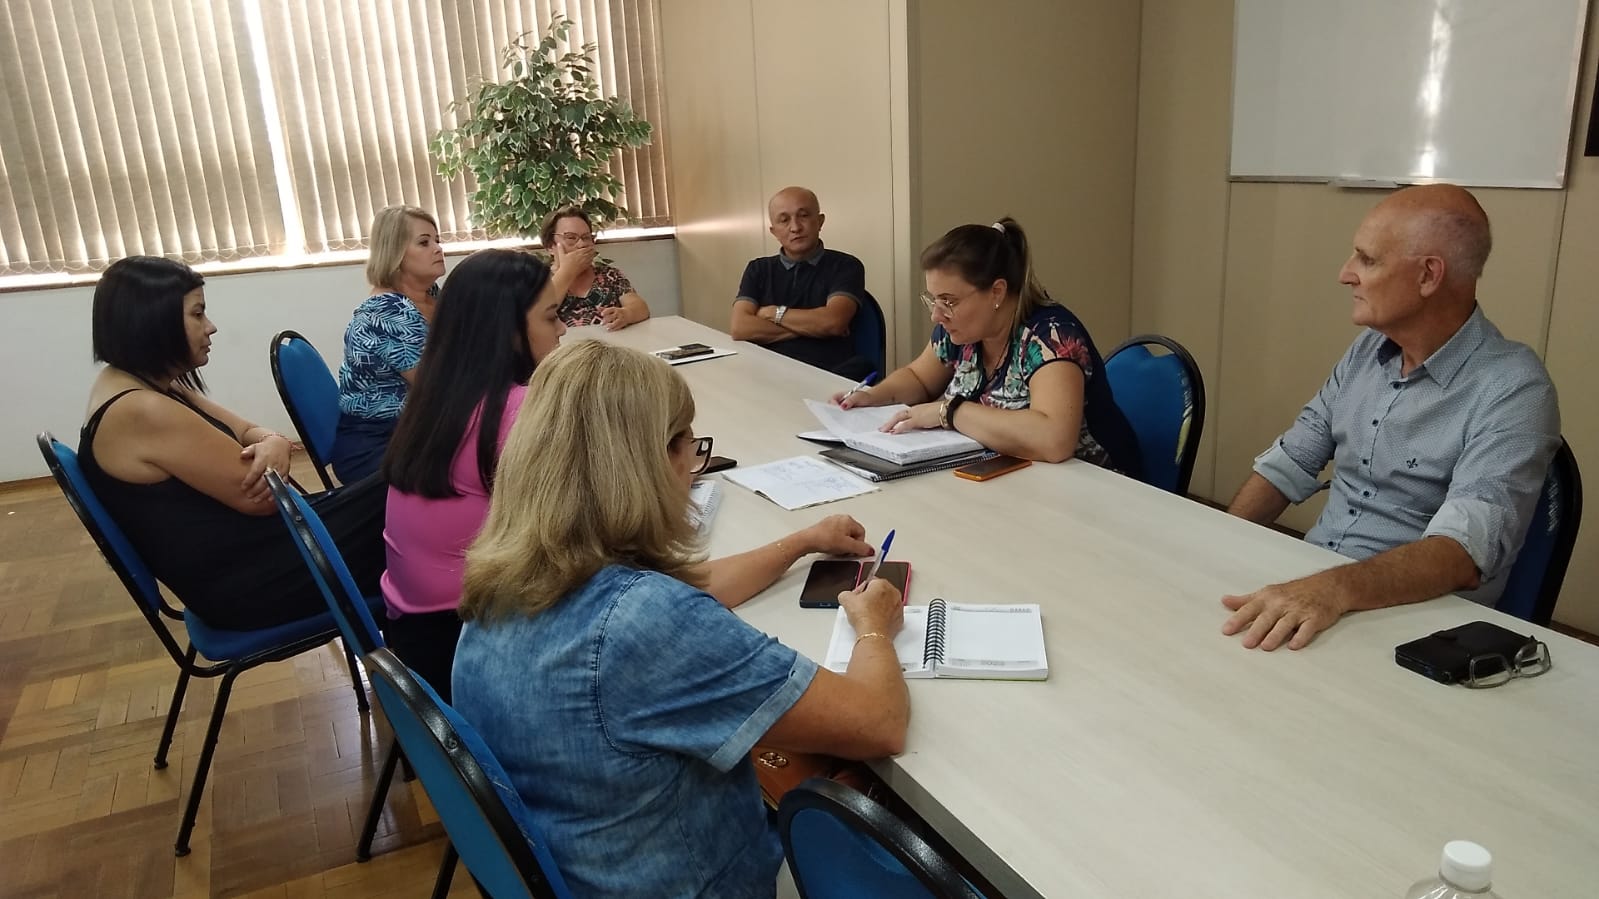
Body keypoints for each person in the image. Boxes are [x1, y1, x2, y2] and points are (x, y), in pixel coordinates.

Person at [452, 341, 910, 898]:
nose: (694, 471)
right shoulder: (642, 624)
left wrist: (800, 543)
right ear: (651, 462)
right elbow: (878, 723)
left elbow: (685, 589)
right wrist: (872, 626)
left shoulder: (505, 580)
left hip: (587, 867)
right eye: (691, 448)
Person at [1221, 184, 1561, 651]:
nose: (1345, 274)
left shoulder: (1514, 388)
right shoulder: (1367, 352)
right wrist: (1218, 542)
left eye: (1367, 259)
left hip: (1413, 625)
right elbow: (1291, 462)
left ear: (1428, 276)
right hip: (1317, 591)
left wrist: (1333, 588)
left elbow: (1462, 552)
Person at [77, 256, 387, 631]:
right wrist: (273, 446)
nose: (211, 327)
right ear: (153, 321)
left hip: (256, 556)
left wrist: (272, 442)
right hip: (253, 581)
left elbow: (246, 430)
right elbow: (264, 497)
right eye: (197, 314)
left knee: (407, 485)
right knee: (410, 481)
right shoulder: (141, 409)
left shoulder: (140, 383)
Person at [379, 249, 564, 699]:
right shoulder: (514, 411)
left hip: (414, 640)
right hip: (468, 650)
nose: (562, 330)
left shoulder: (440, 395)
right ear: (510, 333)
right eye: (551, 317)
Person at [836, 218, 1141, 470]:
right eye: (933, 298)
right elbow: (918, 378)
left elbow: (1054, 440)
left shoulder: (1050, 335)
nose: (936, 314)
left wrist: (949, 412)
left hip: (1096, 490)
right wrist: (873, 396)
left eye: (949, 301)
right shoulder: (959, 329)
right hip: (1013, 479)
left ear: (996, 292)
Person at [330, 205, 444, 483]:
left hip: (416, 429)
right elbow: (440, 384)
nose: (439, 249)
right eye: (424, 242)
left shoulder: (429, 294)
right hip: (377, 444)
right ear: (394, 252)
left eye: (437, 240)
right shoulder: (386, 312)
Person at [731, 186, 874, 379]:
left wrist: (772, 313)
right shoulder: (758, 269)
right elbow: (740, 327)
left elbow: (832, 322)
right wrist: (813, 329)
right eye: (784, 220)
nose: (795, 227)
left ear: (820, 221)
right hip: (766, 372)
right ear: (774, 231)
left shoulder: (846, 266)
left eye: (804, 216)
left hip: (827, 373)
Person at [539, 206, 651, 330]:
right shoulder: (538, 279)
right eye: (571, 238)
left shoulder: (610, 275)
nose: (582, 244)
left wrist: (626, 314)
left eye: (586, 237)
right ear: (550, 246)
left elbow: (641, 308)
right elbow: (536, 317)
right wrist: (567, 271)